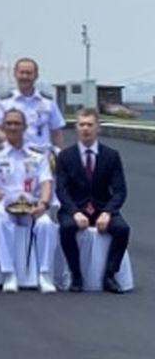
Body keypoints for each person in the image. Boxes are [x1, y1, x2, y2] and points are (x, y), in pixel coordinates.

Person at [0, 109, 57, 293]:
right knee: (1, 221)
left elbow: (46, 182)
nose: (12, 127)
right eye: (9, 123)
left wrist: (43, 204)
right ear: (3, 127)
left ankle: (44, 274)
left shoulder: (37, 155)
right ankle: (9, 273)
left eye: (17, 123)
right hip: (3, 205)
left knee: (46, 224)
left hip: (31, 205)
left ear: (25, 127)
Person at [54, 108, 129, 293]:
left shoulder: (111, 156)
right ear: (76, 128)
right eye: (81, 125)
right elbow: (61, 190)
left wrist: (108, 212)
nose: (85, 129)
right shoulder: (65, 157)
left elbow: (120, 190)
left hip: (102, 208)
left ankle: (110, 276)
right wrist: (74, 212)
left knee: (122, 229)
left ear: (98, 128)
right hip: (75, 208)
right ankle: (76, 276)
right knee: (67, 228)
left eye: (89, 125)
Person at [0, 58, 65, 153]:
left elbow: (57, 132)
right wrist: (12, 142)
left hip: (43, 155)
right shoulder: (4, 101)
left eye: (29, 73)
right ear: (15, 74)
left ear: (36, 76)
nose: (25, 76)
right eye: (21, 73)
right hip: (14, 153)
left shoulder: (48, 102)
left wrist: (59, 154)